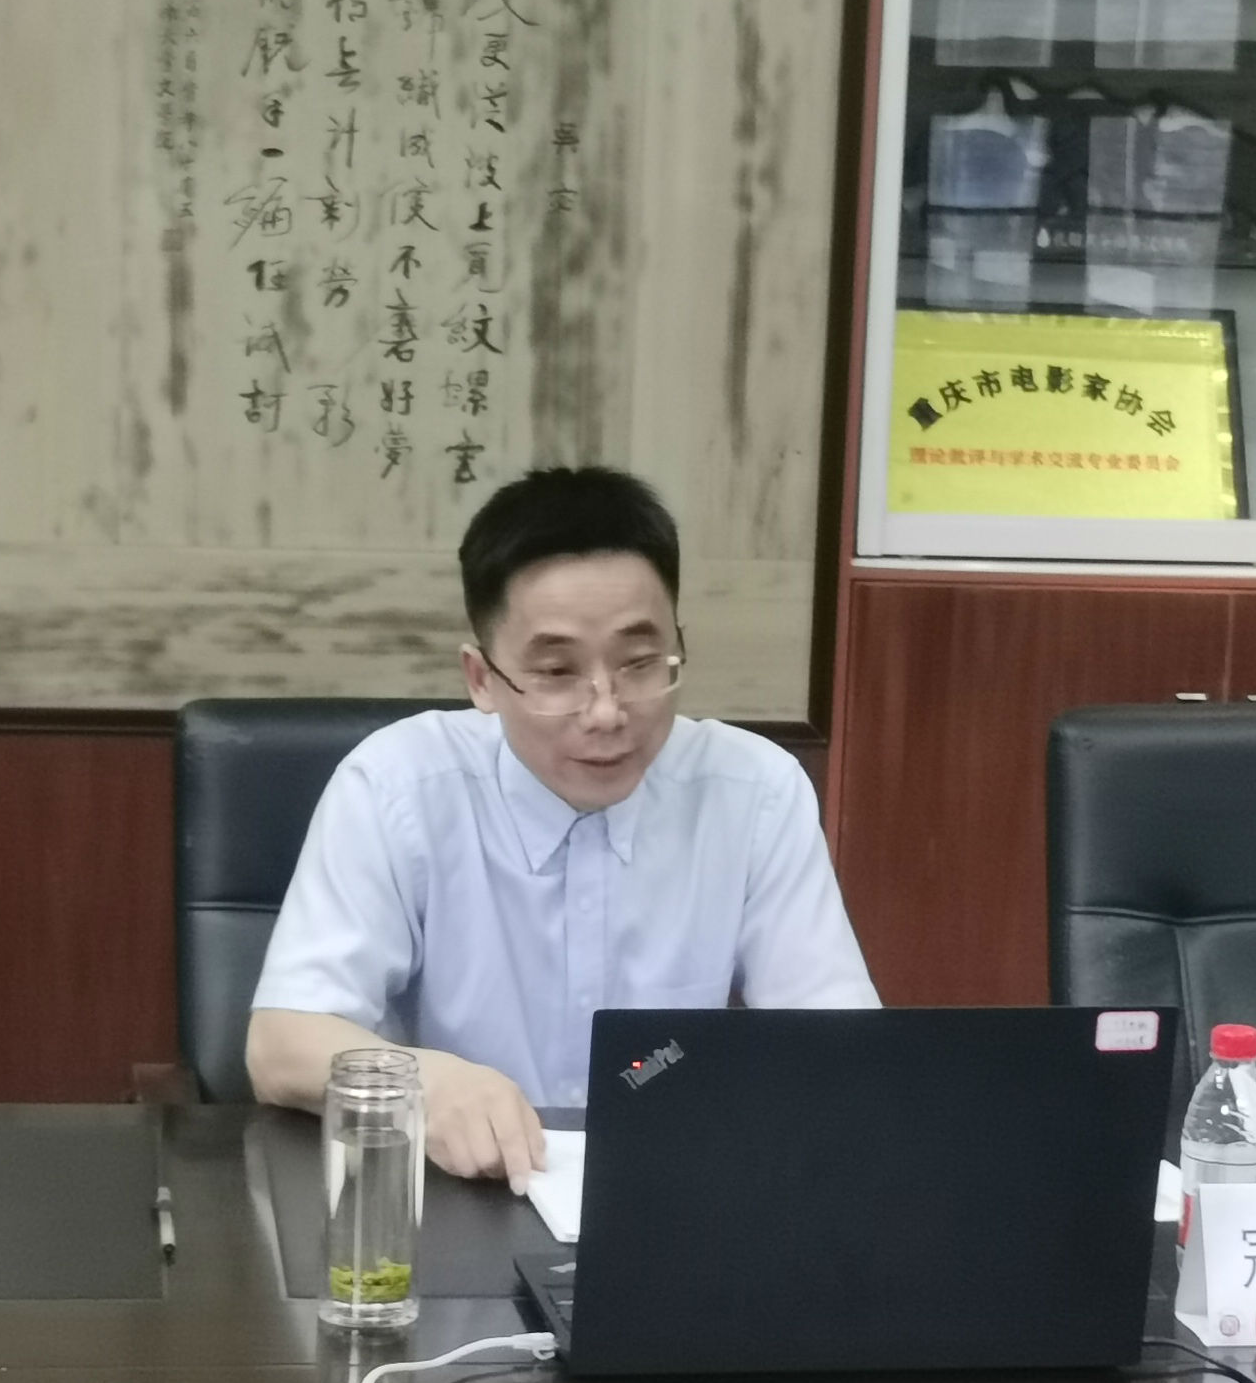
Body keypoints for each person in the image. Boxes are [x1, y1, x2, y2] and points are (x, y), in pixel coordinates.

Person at [247, 465, 876, 1179]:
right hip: (451, 1197)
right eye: (556, 673)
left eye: (640, 663)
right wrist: (426, 1082)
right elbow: (278, 1047)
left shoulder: (753, 793)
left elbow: (840, 1050)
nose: (607, 712)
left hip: (665, 1192)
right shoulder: (397, 788)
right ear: (482, 679)